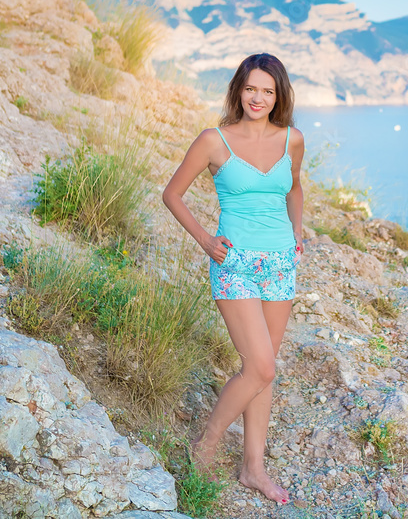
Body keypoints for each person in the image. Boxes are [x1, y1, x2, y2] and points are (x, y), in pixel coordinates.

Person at [161, 52, 304, 506]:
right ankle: (206, 443)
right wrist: (205, 239)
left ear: (278, 95)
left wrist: (297, 232)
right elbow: (172, 193)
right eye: (250, 88)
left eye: (268, 90)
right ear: (237, 90)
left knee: (264, 373)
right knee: (260, 365)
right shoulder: (214, 140)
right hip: (235, 262)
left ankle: (252, 469)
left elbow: (295, 186)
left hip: (281, 264)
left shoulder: (292, 140)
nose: (258, 98)